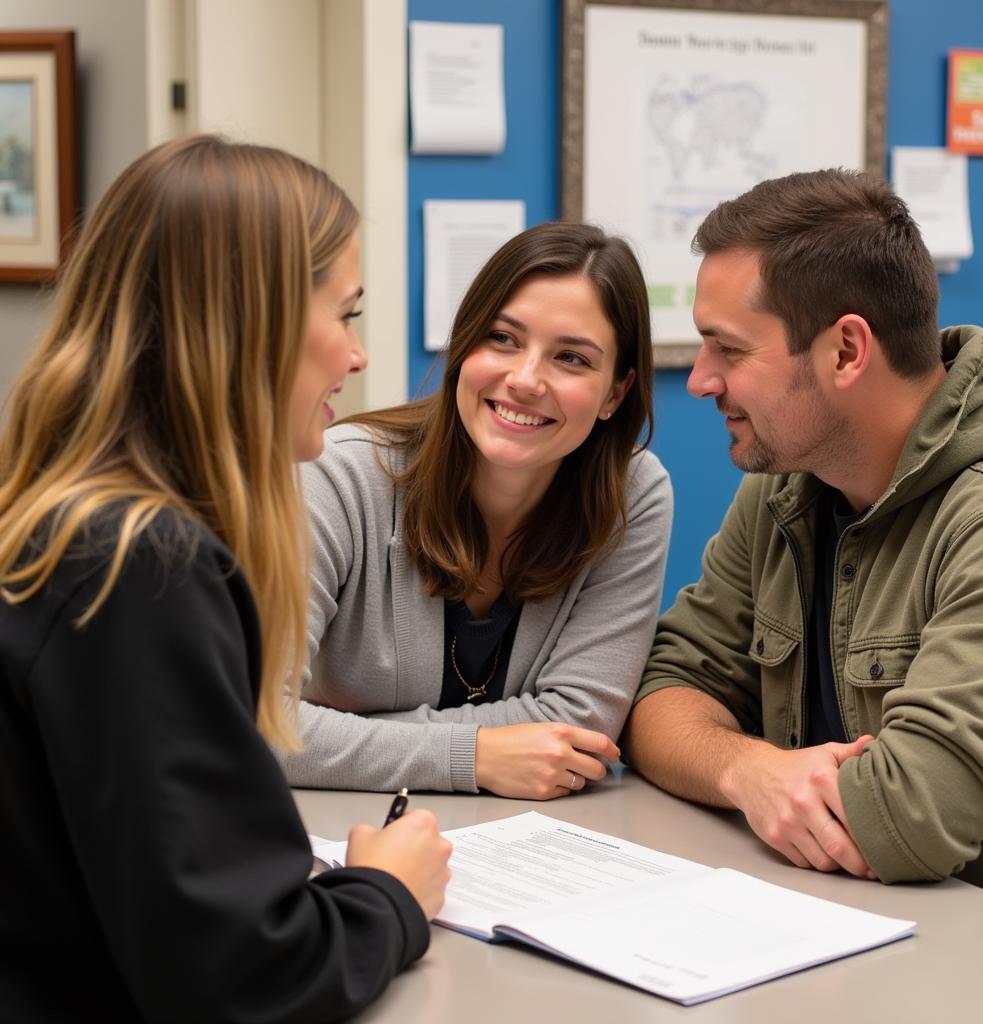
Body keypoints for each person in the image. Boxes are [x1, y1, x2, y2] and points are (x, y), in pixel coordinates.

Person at [0, 135, 452, 1021]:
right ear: (259, 320)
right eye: (346, 314)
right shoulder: (140, 567)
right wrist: (388, 894)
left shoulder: (61, 519)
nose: (358, 360)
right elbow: (242, 979)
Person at [624, 168, 983, 903]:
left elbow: (908, 816)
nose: (700, 381)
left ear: (846, 351)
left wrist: (740, 764)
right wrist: (749, 770)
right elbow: (662, 691)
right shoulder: (784, 487)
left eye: (729, 350)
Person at [281, 222, 673, 799]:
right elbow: (256, 723)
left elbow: (582, 727)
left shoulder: (631, 496)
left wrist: (340, 741)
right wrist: (472, 757)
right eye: (503, 338)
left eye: (570, 358)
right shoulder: (335, 477)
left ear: (615, 393)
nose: (525, 379)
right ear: (464, 347)